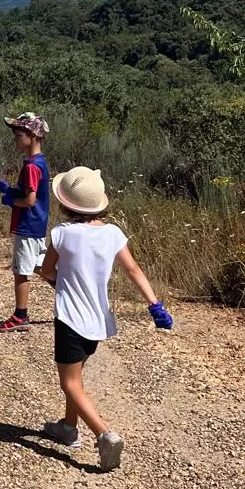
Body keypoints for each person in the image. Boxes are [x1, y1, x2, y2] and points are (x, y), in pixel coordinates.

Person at [36, 165, 174, 471]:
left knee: (70, 383)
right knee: (78, 376)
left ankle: (104, 435)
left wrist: (47, 276)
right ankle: (68, 428)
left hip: (70, 320)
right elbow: (134, 270)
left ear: (64, 203)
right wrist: (155, 305)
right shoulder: (113, 234)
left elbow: (47, 272)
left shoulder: (62, 235)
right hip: (98, 323)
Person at [0, 111, 51, 333]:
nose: (15, 139)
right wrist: (7, 188)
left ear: (33, 136)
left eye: (19, 134)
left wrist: (9, 199)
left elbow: (29, 200)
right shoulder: (39, 162)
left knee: (21, 271)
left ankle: (20, 315)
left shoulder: (31, 166)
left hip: (27, 225)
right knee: (39, 265)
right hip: (37, 224)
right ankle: (67, 292)